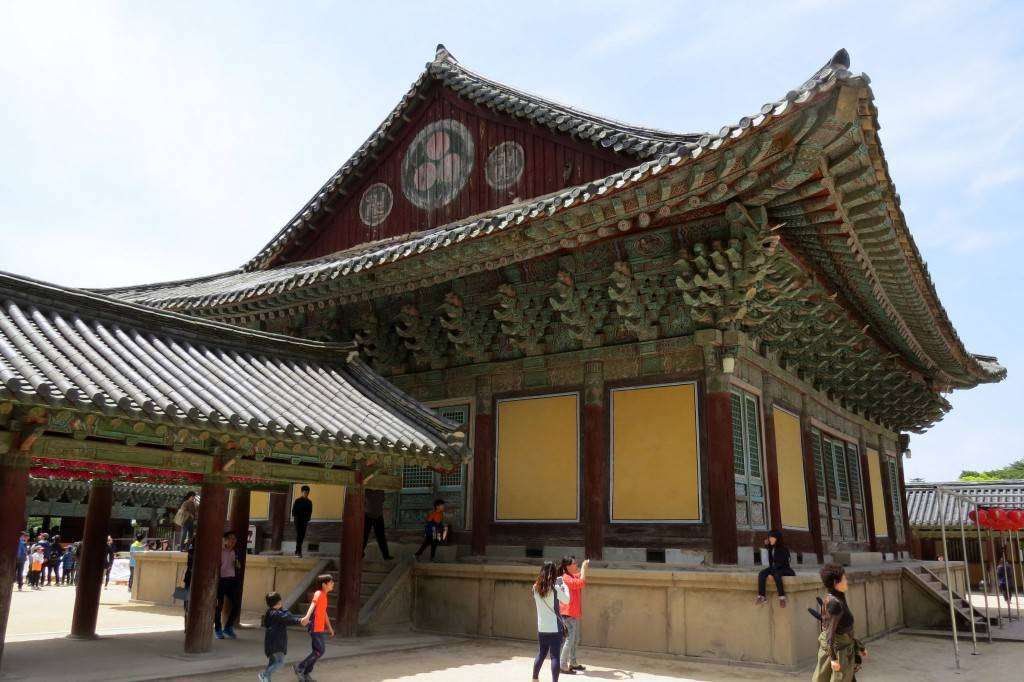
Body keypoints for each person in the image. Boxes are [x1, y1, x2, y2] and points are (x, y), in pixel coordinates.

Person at [812, 563, 866, 681]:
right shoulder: (834, 603)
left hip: (845, 649)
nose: (846, 581)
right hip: (839, 652)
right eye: (844, 579)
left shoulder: (839, 597)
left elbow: (845, 627)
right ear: (836, 583)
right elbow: (829, 635)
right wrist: (833, 659)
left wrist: (859, 646)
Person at [532, 561, 570, 681]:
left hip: (541, 627)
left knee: (541, 653)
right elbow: (567, 600)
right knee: (555, 657)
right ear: (554, 574)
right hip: (554, 628)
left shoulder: (534, 588)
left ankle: (535, 678)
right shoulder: (555, 589)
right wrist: (565, 586)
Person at [259, 591, 309, 681]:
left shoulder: (270, 612)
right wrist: (300, 620)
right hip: (277, 644)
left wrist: (282, 609)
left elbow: (286, 617)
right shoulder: (277, 614)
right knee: (280, 662)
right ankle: (264, 674)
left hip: (271, 643)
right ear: (279, 602)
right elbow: (288, 618)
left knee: (273, 662)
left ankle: (266, 678)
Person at [296, 574, 335, 681]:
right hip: (315, 626)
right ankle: (300, 667)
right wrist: (307, 617)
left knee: (317, 651)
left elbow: (324, 612)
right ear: (324, 584)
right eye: (330, 582)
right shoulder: (319, 593)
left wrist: (329, 627)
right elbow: (313, 605)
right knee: (320, 650)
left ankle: (306, 674)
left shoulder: (324, 595)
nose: (333, 584)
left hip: (320, 627)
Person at [557, 556, 590, 675]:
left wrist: (583, 567)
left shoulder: (570, 576)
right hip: (568, 613)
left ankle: (573, 662)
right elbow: (580, 583)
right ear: (568, 566)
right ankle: (562, 665)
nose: (576, 565)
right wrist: (584, 569)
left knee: (574, 639)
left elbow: (579, 576)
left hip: (572, 612)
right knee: (569, 640)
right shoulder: (566, 578)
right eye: (574, 564)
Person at [756, 530, 796, 608]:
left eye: (772, 537)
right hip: (775, 567)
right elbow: (771, 562)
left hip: (785, 569)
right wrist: (768, 547)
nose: (770, 539)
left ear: (777, 539)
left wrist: (771, 573)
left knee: (776, 574)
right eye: (769, 537)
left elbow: (780, 563)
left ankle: (782, 597)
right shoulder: (772, 548)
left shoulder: (783, 549)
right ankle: (762, 596)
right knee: (762, 573)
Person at [215, 531, 242, 639]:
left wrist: (237, 566)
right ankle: (218, 628)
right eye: (231, 539)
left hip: (232, 580)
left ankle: (228, 627)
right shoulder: (219, 551)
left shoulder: (235, 552)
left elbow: (237, 565)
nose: (233, 541)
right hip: (221, 580)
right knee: (218, 606)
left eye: (234, 539)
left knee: (236, 605)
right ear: (225, 540)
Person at [362, 488, 393, 560]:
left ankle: (386, 555)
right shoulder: (379, 490)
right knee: (377, 537)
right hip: (372, 515)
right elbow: (382, 500)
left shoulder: (367, 491)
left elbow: (364, 502)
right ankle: (386, 555)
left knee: (368, 536)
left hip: (373, 515)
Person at [292, 486, 313, 557]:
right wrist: (297, 517)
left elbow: (310, 512)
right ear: (302, 492)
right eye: (304, 492)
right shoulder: (297, 501)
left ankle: (297, 551)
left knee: (302, 536)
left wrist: (307, 518)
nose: (306, 494)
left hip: (304, 521)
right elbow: (294, 511)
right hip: (298, 520)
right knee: (299, 535)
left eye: (307, 493)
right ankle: (298, 551)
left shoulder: (309, 502)